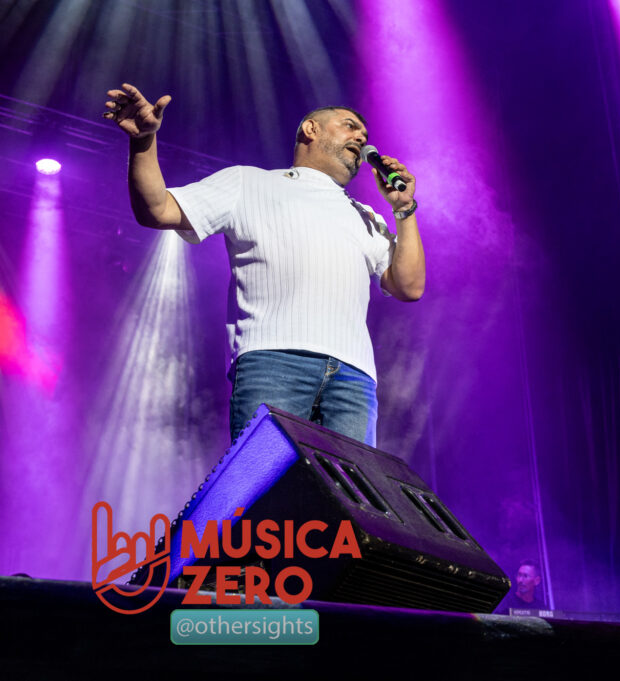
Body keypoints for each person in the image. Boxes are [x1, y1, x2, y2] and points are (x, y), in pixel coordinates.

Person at [103, 83, 425, 446]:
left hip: (354, 377)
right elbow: (158, 210)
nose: (362, 138)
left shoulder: (365, 216)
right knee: (268, 490)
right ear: (311, 129)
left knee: (346, 498)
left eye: (364, 134)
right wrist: (144, 141)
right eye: (350, 126)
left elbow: (409, 287)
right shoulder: (249, 182)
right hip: (274, 360)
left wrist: (403, 209)